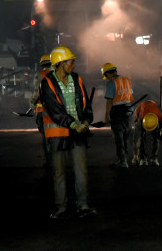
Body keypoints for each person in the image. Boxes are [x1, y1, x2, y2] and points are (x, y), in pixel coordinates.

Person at [39, 45, 97, 218]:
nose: (74, 64)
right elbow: (55, 110)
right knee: (59, 172)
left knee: (81, 170)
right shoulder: (47, 83)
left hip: (77, 131)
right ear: (60, 63)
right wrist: (73, 124)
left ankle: (83, 205)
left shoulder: (76, 79)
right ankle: (61, 208)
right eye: (70, 61)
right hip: (58, 133)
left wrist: (87, 119)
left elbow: (86, 103)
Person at [102, 62, 134, 168]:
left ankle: (122, 161)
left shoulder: (112, 83)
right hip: (129, 111)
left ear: (108, 73)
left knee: (119, 137)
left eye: (106, 76)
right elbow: (130, 94)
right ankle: (125, 158)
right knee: (126, 136)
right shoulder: (127, 80)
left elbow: (109, 101)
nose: (107, 78)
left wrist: (107, 116)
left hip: (118, 113)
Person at [29, 55, 53, 166]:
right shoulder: (58, 74)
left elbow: (37, 91)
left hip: (42, 109)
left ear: (41, 64)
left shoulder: (39, 75)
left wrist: (32, 103)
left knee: (45, 135)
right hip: (57, 109)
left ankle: (48, 159)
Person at [133, 99, 162, 166]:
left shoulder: (159, 114)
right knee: (140, 137)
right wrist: (136, 155)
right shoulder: (140, 118)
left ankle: (154, 158)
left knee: (156, 137)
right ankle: (142, 158)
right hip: (142, 117)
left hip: (153, 119)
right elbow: (137, 137)